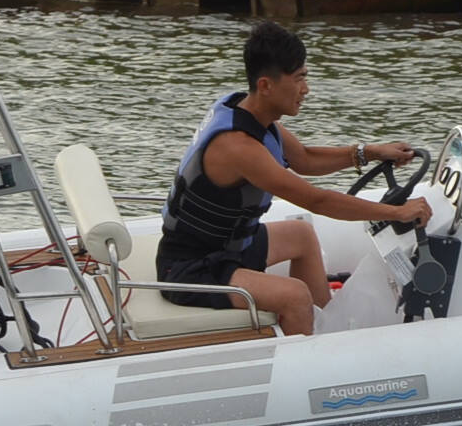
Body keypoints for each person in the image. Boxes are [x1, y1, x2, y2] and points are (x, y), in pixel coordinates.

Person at [155, 22, 429, 335]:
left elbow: (305, 159)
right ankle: (311, 369)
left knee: (301, 235)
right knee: (295, 296)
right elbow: (317, 200)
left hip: (225, 248)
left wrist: (372, 152)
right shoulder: (238, 147)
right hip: (190, 269)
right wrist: (396, 212)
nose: (306, 89)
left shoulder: (251, 113)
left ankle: (330, 331)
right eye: (298, 79)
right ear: (266, 85)